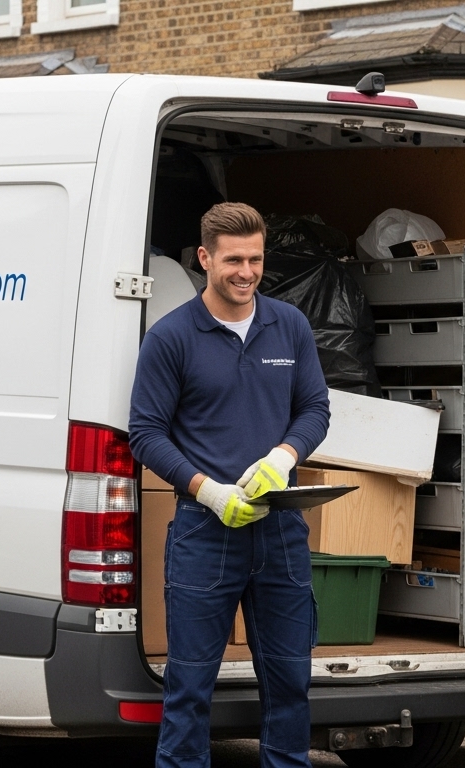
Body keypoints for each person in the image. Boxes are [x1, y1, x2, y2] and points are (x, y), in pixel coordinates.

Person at [129, 202, 330, 768]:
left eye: (256, 259)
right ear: (204, 258)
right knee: (190, 690)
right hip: (204, 534)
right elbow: (144, 434)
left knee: (290, 683)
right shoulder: (171, 338)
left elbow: (315, 407)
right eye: (233, 260)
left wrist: (284, 455)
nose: (246, 272)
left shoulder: (287, 325)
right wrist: (207, 490)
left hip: (280, 531)